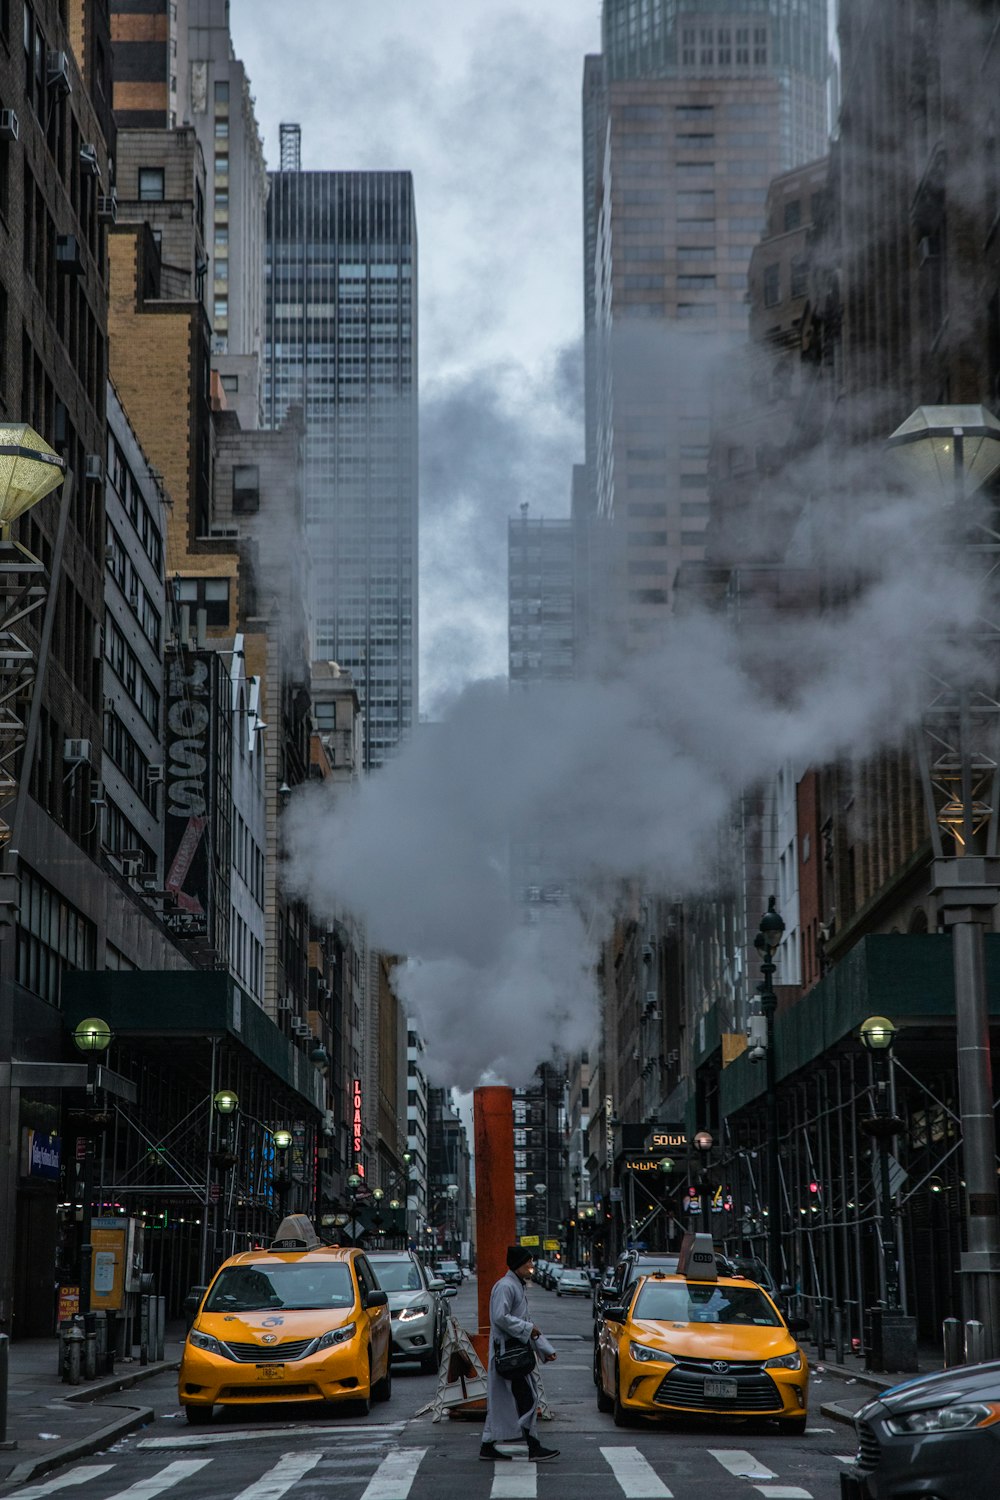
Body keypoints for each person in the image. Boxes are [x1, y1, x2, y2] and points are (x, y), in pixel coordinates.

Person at [480, 1246, 559, 1463]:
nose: (532, 1267)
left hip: (513, 1353)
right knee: (528, 1399)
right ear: (518, 1265)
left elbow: (525, 1324)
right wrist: (530, 1332)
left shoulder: (513, 1286)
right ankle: (533, 1446)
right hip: (510, 1355)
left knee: (508, 1402)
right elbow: (501, 1318)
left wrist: (545, 1349)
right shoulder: (507, 1286)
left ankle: (489, 1445)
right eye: (528, 1263)